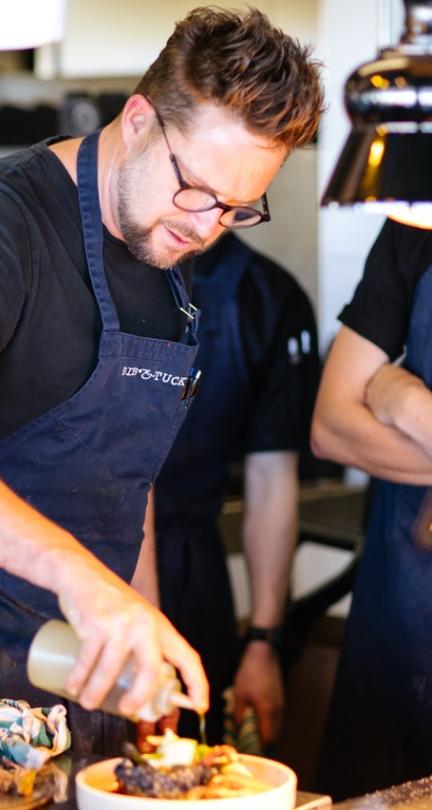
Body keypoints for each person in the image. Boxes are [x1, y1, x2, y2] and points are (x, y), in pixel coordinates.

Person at [0, 6, 323, 753]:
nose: (205, 227)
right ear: (137, 120)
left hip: (82, 678)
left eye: (237, 209)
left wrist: (144, 659)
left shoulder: (168, 252)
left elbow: (127, 477)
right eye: (196, 188)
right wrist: (81, 580)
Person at [312, 217, 432, 798]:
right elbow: (332, 427)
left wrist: (405, 400)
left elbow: (368, 394)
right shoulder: (424, 226)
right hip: (399, 637)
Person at [153, 232, 321, 748]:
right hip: (79, 563)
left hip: (191, 566)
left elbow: (273, 479)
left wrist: (263, 642)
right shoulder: (93, 269)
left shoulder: (269, 297)